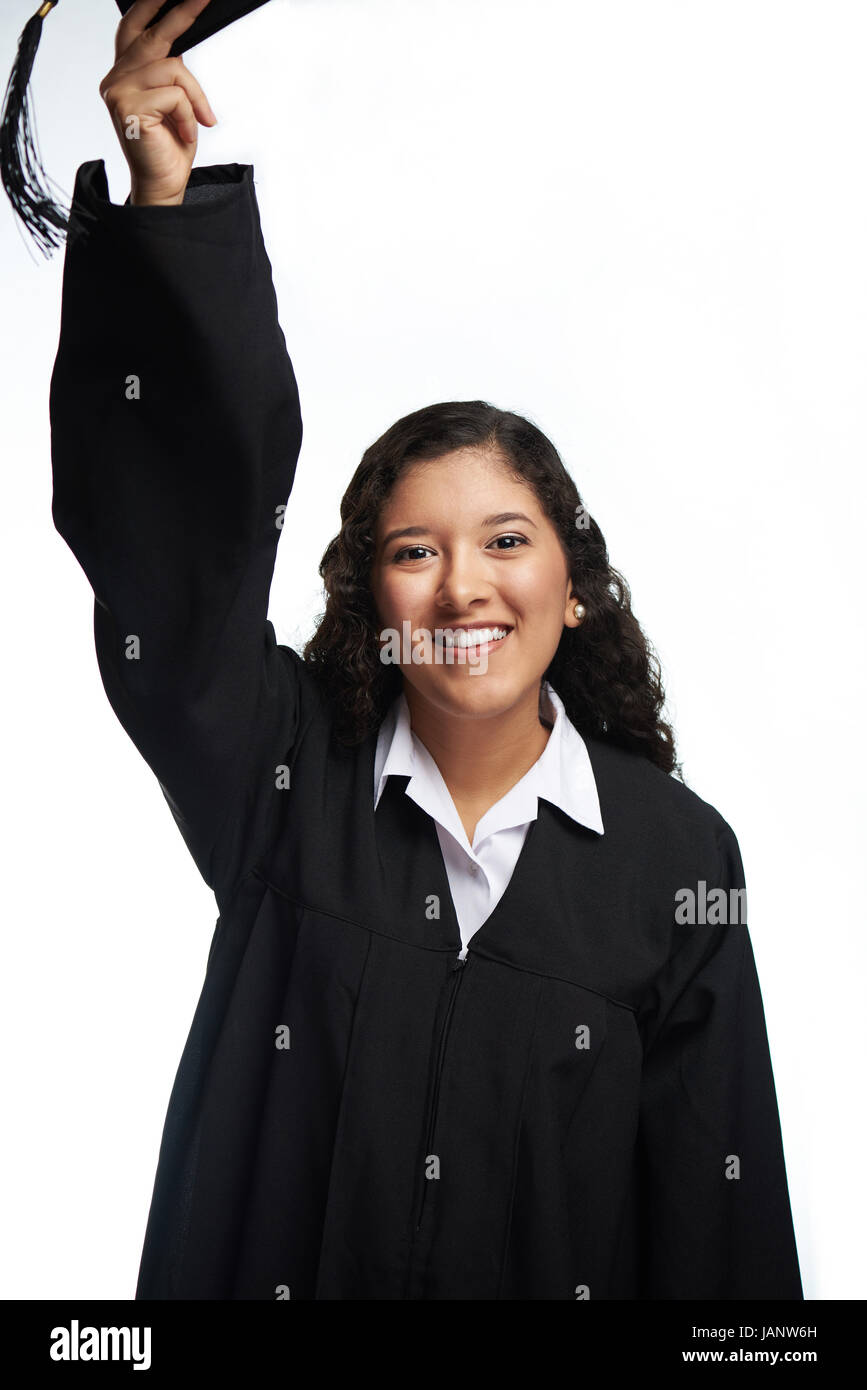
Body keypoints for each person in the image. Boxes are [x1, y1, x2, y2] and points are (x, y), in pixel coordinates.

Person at [49, 0, 803, 1299]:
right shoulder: (287, 775)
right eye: (414, 550)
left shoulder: (682, 864)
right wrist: (168, 212)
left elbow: (719, 1233)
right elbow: (173, 580)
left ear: (575, 591)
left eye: (506, 540)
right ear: (373, 601)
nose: (463, 585)